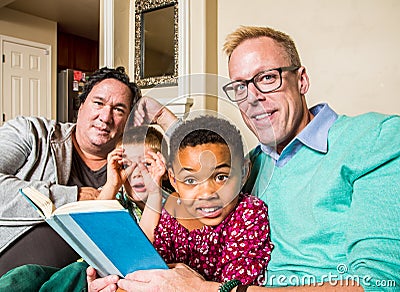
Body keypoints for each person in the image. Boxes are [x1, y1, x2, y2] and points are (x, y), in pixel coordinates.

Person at [89, 25, 400, 291]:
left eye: (267, 78)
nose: (252, 97)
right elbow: (194, 160)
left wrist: (206, 289)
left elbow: (379, 284)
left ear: (302, 80)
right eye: (239, 87)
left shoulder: (374, 137)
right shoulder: (249, 165)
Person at [88, 115, 273, 291]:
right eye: (191, 180)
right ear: (174, 180)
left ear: (243, 173)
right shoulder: (169, 216)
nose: (207, 193)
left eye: (221, 177)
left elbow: (235, 286)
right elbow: (138, 266)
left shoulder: (248, 213)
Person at [0, 66, 141, 276]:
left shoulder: (130, 168)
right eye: (98, 103)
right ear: (82, 105)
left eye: (119, 110)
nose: (105, 117)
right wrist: (73, 197)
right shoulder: (32, 133)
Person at [0, 124, 167, 291]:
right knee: (27, 274)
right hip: (91, 268)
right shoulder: (117, 196)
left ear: (163, 169)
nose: (137, 173)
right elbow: (92, 227)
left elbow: (143, 244)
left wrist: (154, 192)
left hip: (108, 276)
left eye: (147, 164)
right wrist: (112, 184)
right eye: (127, 165)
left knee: (69, 276)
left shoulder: (166, 206)